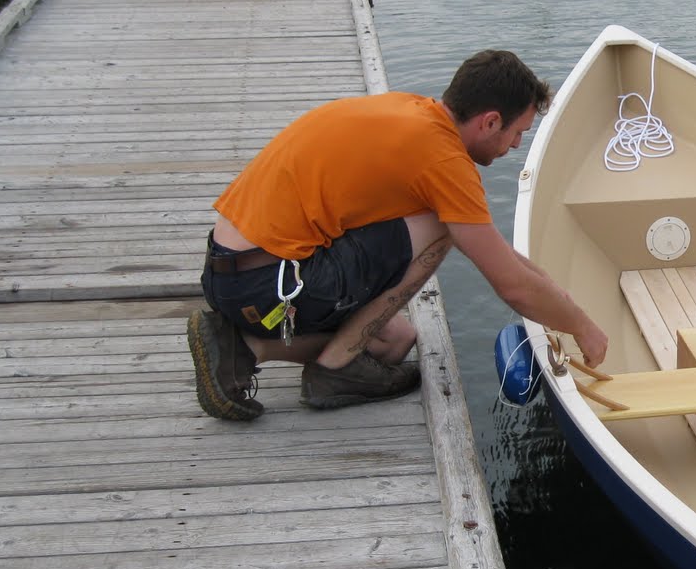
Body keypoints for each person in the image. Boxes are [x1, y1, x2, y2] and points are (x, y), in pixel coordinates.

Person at [188, 49, 608, 421]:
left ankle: (245, 347)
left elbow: (500, 252)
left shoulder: (411, 113)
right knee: (443, 225)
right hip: (269, 285)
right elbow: (511, 284)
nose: (516, 145)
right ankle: (334, 371)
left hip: (232, 274)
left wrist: (562, 299)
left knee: (394, 341)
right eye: (517, 133)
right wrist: (583, 327)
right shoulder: (444, 161)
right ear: (490, 121)